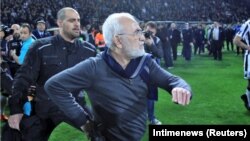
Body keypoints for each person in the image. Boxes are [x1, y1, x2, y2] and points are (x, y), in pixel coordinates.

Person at [44, 12, 192, 141]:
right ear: (118, 41)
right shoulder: (94, 67)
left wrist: (182, 88)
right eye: (136, 33)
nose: (142, 38)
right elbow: (54, 86)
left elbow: (172, 81)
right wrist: (83, 121)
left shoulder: (145, 63)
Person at [7, 7, 96, 141]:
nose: (77, 23)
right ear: (59, 23)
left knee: (104, 133)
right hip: (44, 108)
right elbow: (23, 78)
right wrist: (15, 108)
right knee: (15, 135)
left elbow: (100, 82)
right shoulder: (40, 47)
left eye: (78, 20)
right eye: (72, 20)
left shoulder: (89, 50)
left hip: (76, 106)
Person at [144, 21, 163, 125]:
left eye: (151, 31)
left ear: (155, 32)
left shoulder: (157, 40)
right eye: (147, 31)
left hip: (152, 72)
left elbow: (160, 54)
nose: (149, 33)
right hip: (138, 71)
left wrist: (151, 45)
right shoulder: (139, 38)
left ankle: (151, 118)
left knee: (150, 95)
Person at [233, 19, 250, 111]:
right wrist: (248, 47)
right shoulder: (248, 24)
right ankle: (248, 101)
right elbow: (236, 40)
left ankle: (247, 98)